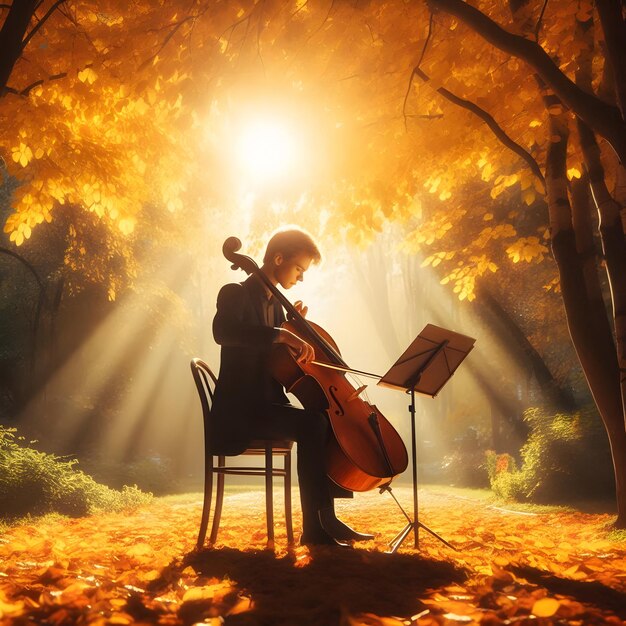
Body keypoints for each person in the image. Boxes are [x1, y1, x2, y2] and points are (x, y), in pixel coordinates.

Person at [211, 227, 374, 547]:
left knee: (324, 415)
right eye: (299, 269)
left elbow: (276, 361)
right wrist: (282, 334)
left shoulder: (276, 308)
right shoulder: (235, 292)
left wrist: (289, 324)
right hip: (240, 410)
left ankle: (326, 518)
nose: (300, 279)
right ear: (278, 258)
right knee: (313, 423)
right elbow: (224, 332)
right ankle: (316, 528)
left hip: (268, 405)